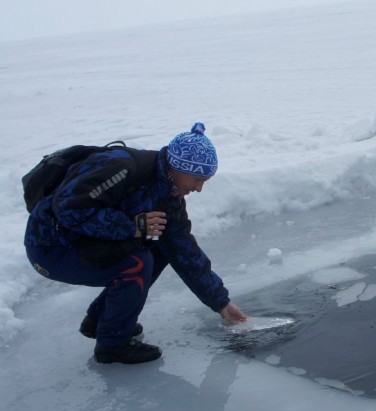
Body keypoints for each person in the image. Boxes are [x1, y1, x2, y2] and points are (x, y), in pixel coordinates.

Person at [24, 122, 248, 364]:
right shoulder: (122, 168)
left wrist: (221, 303)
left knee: (161, 249)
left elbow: (184, 251)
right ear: (179, 167)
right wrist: (132, 226)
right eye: (197, 179)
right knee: (137, 262)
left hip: (86, 243)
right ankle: (112, 344)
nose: (199, 188)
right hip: (52, 247)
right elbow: (68, 209)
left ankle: (100, 320)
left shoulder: (168, 194)